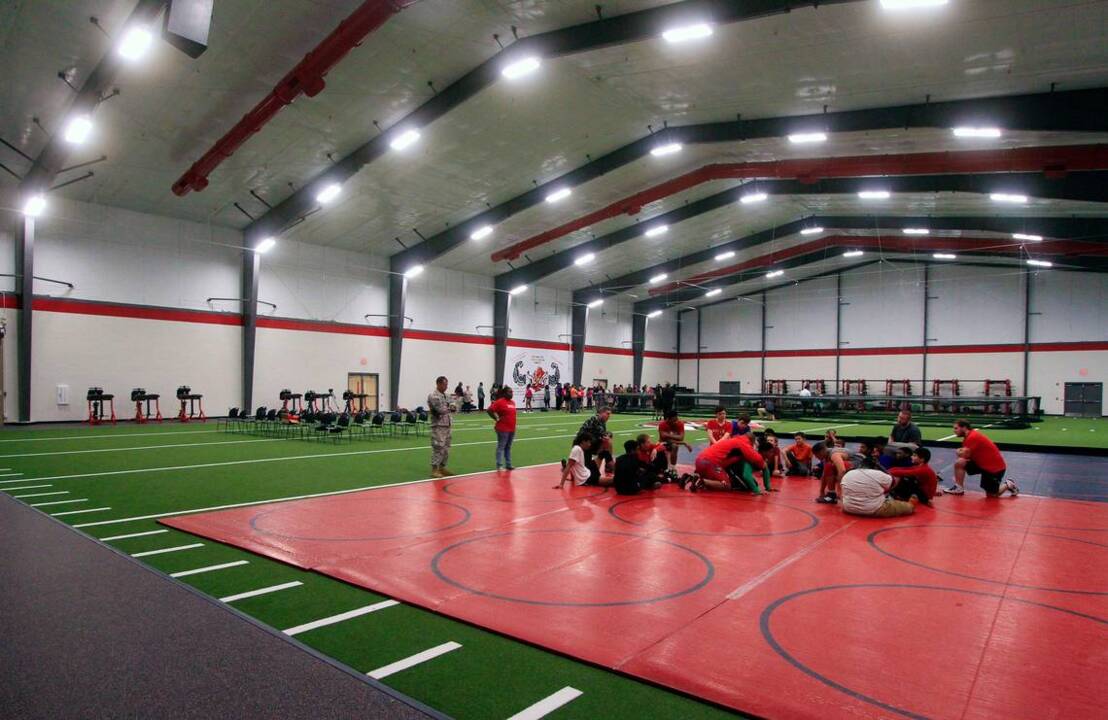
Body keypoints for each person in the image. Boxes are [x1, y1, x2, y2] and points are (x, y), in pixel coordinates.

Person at [840, 440, 915, 518]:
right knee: (907, 507)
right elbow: (893, 483)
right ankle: (910, 505)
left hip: (848, 508)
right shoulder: (878, 474)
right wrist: (881, 467)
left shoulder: (848, 474)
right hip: (873, 509)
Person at [949, 419, 1020, 497]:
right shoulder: (968, 437)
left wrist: (959, 451)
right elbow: (964, 455)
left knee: (992, 495)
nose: (954, 431)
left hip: (994, 468)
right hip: (982, 464)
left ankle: (1008, 484)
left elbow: (963, 455)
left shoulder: (972, 437)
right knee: (960, 462)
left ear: (964, 428)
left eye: (956, 428)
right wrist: (961, 452)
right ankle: (959, 488)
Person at [689, 434, 764, 493]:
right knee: (727, 485)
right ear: (752, 442)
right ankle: (701, 481)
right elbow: (758, 460)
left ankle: (690, 478)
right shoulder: (743, 444)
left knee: (714, 480)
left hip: (699, 461)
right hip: (711, 463)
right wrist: (763, 466)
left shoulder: (733, 441)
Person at [428, 376, 456, 478]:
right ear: (438, 384)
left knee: (446, 448)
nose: (446, 386)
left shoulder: (446, 395)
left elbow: (454, 404)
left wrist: (451, 406)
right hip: (439, 425)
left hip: (447, 424)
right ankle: (434, 469)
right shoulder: (433, 396)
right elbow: (440, 409)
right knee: (438, 447)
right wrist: (450, 407)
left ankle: (442, 467)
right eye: (445, 384)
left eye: (447, 384)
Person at [578, 406, 615, 475]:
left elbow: (603, 434)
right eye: (607, 414)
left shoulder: (602, 421)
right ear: (601, 413)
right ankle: (608, 464)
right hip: (584, 446)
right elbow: (602, 434)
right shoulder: (594, 419)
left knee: (607, 439)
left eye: (609, 414)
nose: (609, 416)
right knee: (607, 440)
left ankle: (608, 464)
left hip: (590, 443)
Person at [487, 387, 517, 472]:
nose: (511, 394)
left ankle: (508, 464)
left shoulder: (513, 402)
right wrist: (495, 418)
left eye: (512, 392)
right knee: (501, 446)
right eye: (509, 392)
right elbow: (489, 410)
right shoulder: (500, 402)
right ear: (504, 393)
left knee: (508, 447)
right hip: (502, 429)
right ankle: (499, 465)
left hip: (512, 428)